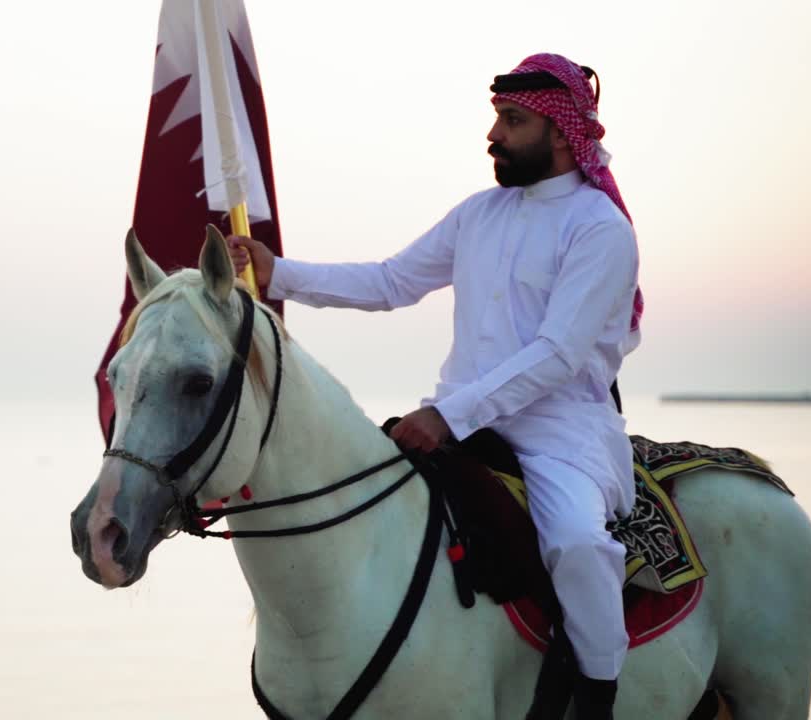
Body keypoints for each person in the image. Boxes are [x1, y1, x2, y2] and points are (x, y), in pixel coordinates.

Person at [228, 53, 639, 719]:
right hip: (461, 423)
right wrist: (281, 275)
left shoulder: (601, 230)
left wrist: (449, 414)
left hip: (562, 433)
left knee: (577, 543)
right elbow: (391, 281)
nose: (495, 135)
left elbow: (558, 354)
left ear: (564, 134)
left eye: (513, 121)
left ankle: (596, 694)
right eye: (497, 119)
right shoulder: (478, 214)